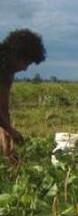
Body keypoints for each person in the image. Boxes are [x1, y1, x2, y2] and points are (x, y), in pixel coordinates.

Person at [0, 29, 46, 163]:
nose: (25, 68)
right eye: (26, 63)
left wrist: (8, 148)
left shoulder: (7, 72)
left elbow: (3, 107)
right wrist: (11, 131)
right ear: (16, 55)